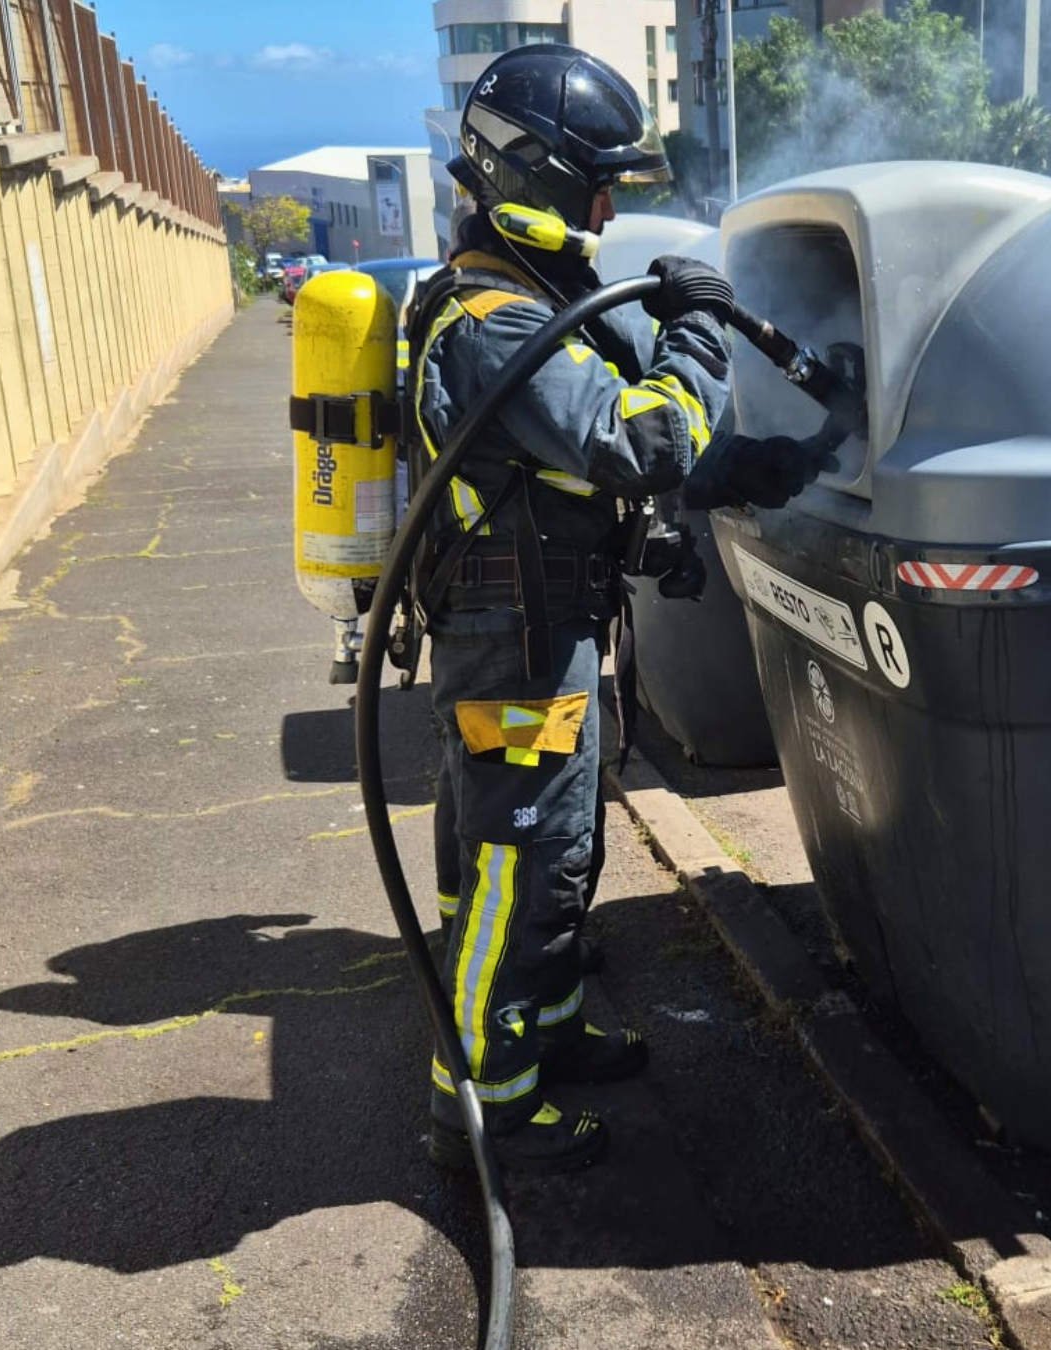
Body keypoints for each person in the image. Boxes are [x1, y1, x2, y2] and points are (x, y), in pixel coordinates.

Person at [414, 43, 829, 1174]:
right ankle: (488, 1105)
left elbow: (630, 450)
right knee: (514, 863)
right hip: (513, 651)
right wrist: (698, 329)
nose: (607, 207)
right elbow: (642, 439)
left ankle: (542, 1034)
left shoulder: (527, 302)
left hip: (542, 637)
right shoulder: (492, 320)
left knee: (554, 850)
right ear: (535, 177)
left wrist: (778, 463)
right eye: (596, 181)